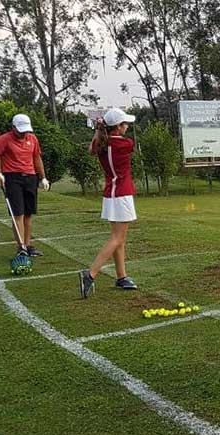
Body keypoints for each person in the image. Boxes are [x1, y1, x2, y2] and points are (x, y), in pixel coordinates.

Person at [78, 108, 139, 298]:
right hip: (122, 194)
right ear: (118, 127)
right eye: (124, 124)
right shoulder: (125, 143)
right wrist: (100, 128)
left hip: (110, 195)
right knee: (117, 239)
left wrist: (98, 129)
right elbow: (126, 145)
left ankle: (121, 276)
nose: (127, 126)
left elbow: (92, 149)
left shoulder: (101, 143)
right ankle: (90, 274)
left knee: (118, 238)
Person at [0, 114, 50, 256]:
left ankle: (28, 245)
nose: (24, 133)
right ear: (13, 127)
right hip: (12, 178)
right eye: (21, 130)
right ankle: (21, 246)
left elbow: (36, 157)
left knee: (28, 214)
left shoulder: (32, 139)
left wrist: (43, 177)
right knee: (18, 214)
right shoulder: (3, 139)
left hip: (30, 177)